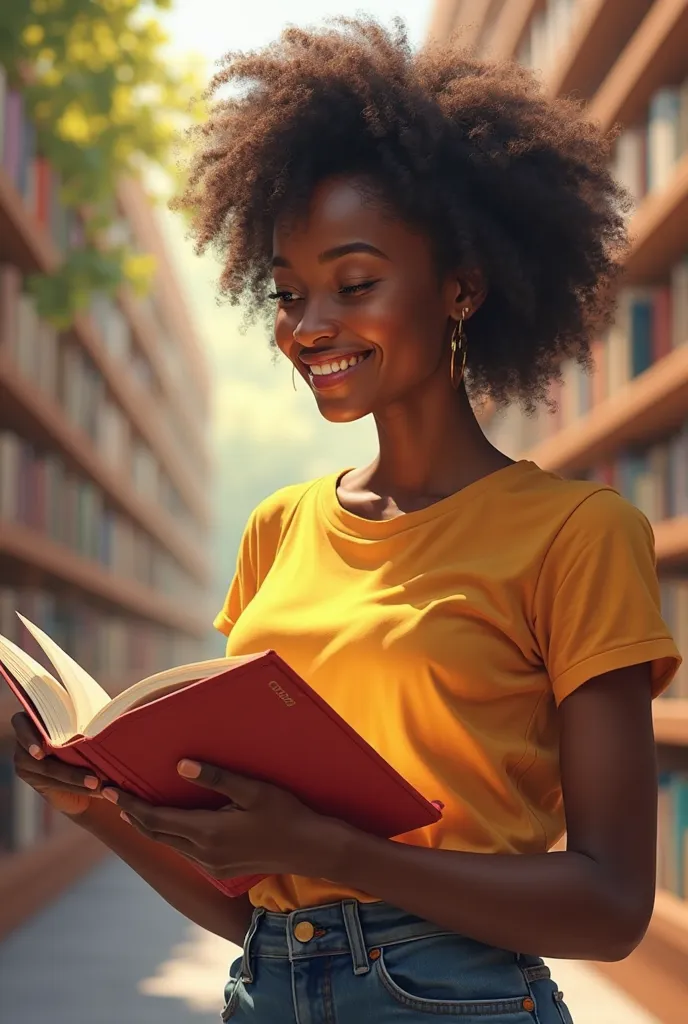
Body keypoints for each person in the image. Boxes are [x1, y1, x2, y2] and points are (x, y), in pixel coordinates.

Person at [13, 17, 682, 1024]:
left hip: (459, 998)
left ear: (461, 286)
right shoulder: (277, 531)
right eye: (286, 294)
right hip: (267, 990)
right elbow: (255, 907)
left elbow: (610, 905)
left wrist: (328, 851)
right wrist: (94, 806)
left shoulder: (578, 534)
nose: (307, 325)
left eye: (354, 282)